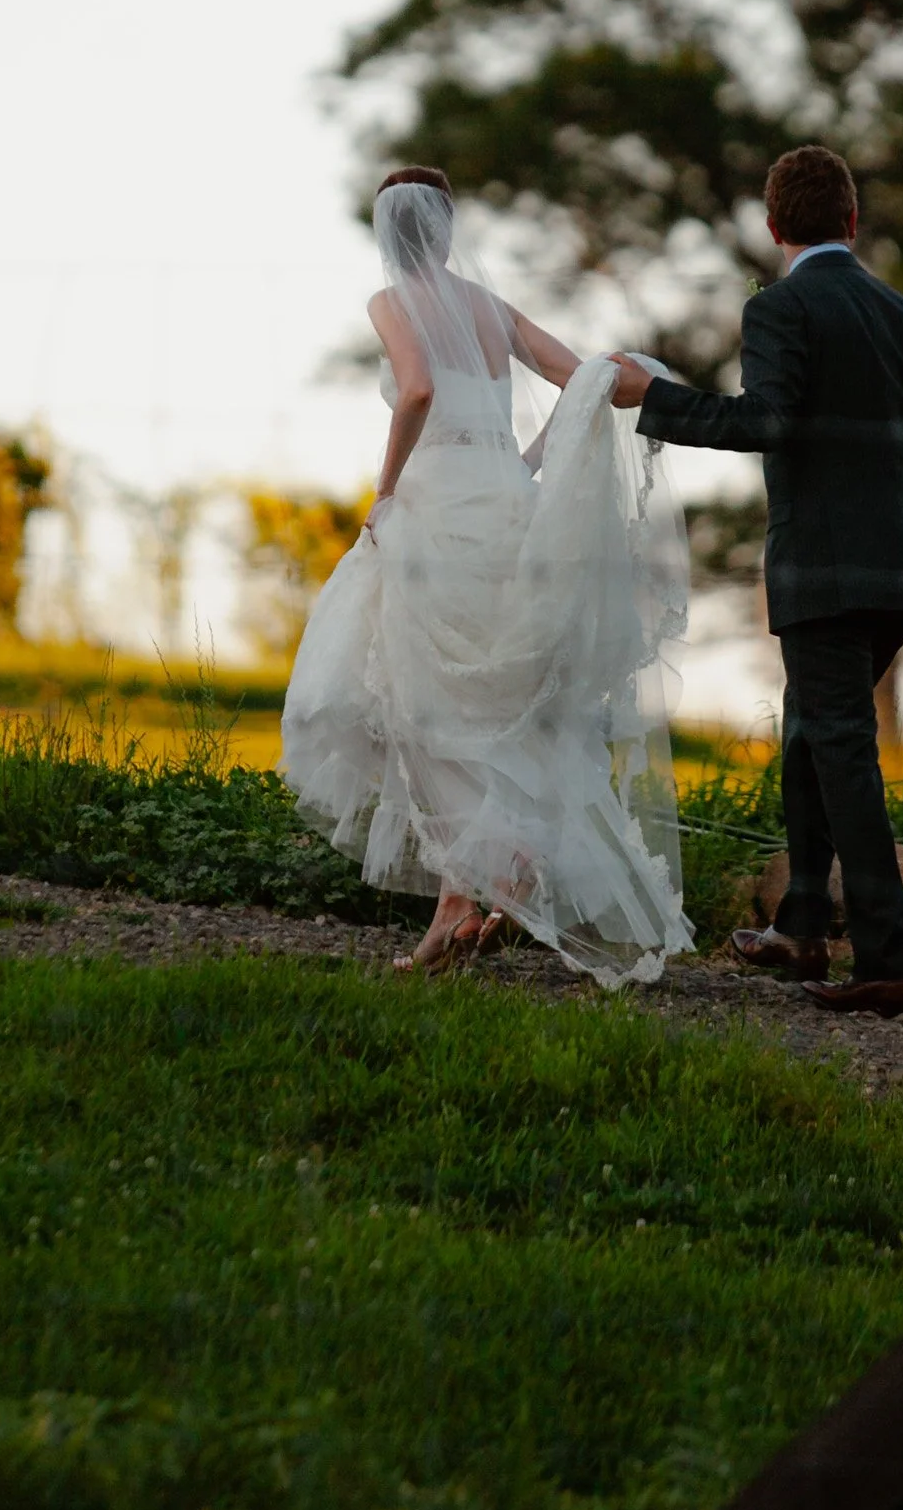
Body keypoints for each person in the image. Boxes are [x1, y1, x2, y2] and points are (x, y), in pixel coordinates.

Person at [279, 167, 691, 984]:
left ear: (387, 235)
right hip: (503, 508)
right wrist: (528, 465)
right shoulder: (487, 306)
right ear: (445, 228)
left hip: (436, 508)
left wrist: (386, 488)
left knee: (423, 708)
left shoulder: (389, 303)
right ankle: (460, 901)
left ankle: (475, 891)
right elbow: (584, 379)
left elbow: (418, 389)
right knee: (488, 710)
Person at [611, 143, 903, 1020]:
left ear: (773, 227)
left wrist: (646, 400)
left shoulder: (779, 309)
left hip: (823, 569)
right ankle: (802, 925)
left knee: (837, 744)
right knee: (814, 728)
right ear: (850, 219)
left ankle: (891, 962)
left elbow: (764, 420)